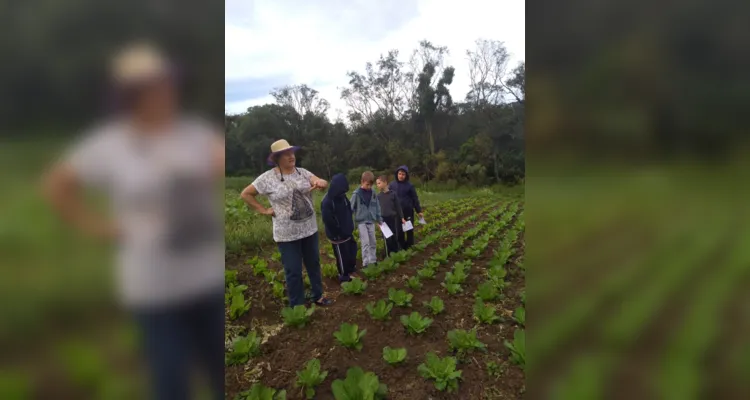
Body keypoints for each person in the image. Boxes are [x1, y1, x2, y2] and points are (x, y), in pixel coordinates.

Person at [42, 42, 225, 400]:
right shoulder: (110, 144)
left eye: (166, 84)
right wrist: (100, 228)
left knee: (220, 373)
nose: (164, 92)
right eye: (153, 87)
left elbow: (217, 161)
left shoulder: (194, 132)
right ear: (131, 96)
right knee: (171, 383)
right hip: (155, 291)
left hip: (206, 279)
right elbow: (57, 186)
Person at [240, 139, 334, 308]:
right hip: (286, 235)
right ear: (277, 158)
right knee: (293, 271)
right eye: (286, 154)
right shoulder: (267, 178)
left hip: (309, 229)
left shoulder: (302, 172)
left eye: (292, 153)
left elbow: (321, 181)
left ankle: (318, 296)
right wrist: (264, 210)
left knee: (313, 264)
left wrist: (320, 182)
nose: (291, 156)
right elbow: (246, 194)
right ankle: (297, 307)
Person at [320, 173, 358, 283]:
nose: (343, 192)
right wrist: (338, 232)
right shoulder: (327, 201)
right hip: (338, 236)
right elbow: (328, 220)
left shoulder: (343, 197)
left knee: (352, 251)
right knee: (342, 257)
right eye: (342, 190)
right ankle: (344, 276)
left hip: (348, 232)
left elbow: (348, 211)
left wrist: (350, 226)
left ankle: (351, 270)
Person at [350, 171, 382, 268]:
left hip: (371, 221)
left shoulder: (373, 193)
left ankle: (373, 260)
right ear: (362, 181)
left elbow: (377, 206)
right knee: (365, 242)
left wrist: (379, 219)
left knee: (373, 241)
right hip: (361, 222)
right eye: (367, 184)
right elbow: (350, 208)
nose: (369, 187)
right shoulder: (356, 194)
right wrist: (348, 221)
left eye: (371, 185)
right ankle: (366, 262)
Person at [388, 165, 423, 250]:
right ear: (397, 174)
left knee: (409, 229)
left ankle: (410, 246)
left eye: (403, 174)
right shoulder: (392, 185)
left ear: (406, 175)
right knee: (399, 230)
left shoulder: (409, 186)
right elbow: (388, 197)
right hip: (397, 212)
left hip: (408, 211)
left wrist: (419, 210)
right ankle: (401, 246)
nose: (401, 176)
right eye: (399, 174)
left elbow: (415, 198)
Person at [376, 175, 405, 257]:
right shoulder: (378, 196)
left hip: (392, 218)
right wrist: (378, 220)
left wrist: (402, 217)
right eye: (377, 184)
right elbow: (377, 210)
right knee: (386, 237)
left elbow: (398, 207)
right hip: (383, 220)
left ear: (385, 183)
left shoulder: (393, 194)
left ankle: (395, 252)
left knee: (394, 235)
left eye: (379, 183)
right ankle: (388, 253)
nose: (377, 185)